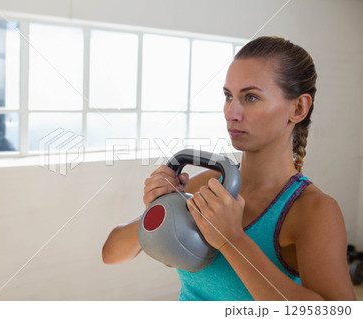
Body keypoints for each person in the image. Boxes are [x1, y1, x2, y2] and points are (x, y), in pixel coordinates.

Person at [102, 36, 357, 301]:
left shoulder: (313, 211)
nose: (230, 112)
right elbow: (111, 254)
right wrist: (158, 208)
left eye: (251, 97)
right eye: (228, 96)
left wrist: (232, 240)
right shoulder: (211, 183)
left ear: (298, 108)